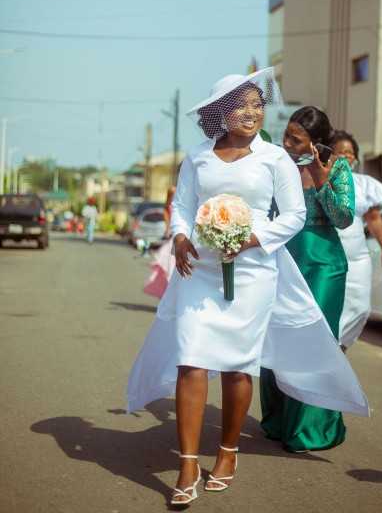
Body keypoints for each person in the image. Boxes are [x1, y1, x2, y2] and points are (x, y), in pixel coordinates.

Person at [126, 70, 369, 506]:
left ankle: (227, 452)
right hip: (198, 267)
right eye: (242, 105)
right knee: (191, 361)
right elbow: (182, 206)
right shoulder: (198, 156)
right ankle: (186, 464)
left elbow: (292, 216)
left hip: (255, 269)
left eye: (258, 105)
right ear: (221, 111)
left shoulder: (275, 158)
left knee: (239, 367)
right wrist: (180, 236)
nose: (253, 113)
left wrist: (253, 240)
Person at [260, 105, 355, 452]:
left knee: (312, 341)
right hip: (283, 260)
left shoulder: (338, 167)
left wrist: (320, 179)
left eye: (295, 139)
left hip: (324, 266)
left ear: (316, 143)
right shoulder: (276, 165)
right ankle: (278, 420)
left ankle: (312, 429)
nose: (286, 142)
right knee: (279, 339)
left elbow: (344, 218)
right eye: (285, 135)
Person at [331, 130, 382, 351]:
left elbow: (374, 218)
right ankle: (326, 348)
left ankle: (340, 347)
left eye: (350, 153)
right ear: (329, 154)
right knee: (328, 306)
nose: (346, 156)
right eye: (341, 152)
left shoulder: (364, 184)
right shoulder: (321, 178)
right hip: (328, 253)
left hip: (357, 256)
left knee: (361, 307)